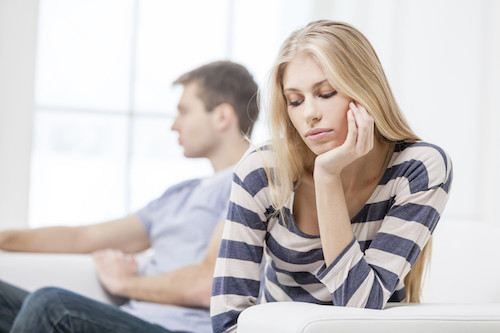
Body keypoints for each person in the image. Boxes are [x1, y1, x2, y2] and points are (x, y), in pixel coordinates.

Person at [210, 20, 453, 333]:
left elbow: (360, 309)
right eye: (295, 101)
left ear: (365, 90)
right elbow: (228, 319)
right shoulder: (263, 170)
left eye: (326, 93)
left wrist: (327, 177)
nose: (309, 113)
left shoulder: (418, 168)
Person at [0, 60, 259, 333]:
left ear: (222, 116)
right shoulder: (180, 194)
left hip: (178, 329)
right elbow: (84, 237)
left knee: (52, 306)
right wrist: (5, 238)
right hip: (130, 320)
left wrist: (125, 284)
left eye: (183, 111)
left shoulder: (250, 184)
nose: (174, 125)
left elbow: (208, 283)